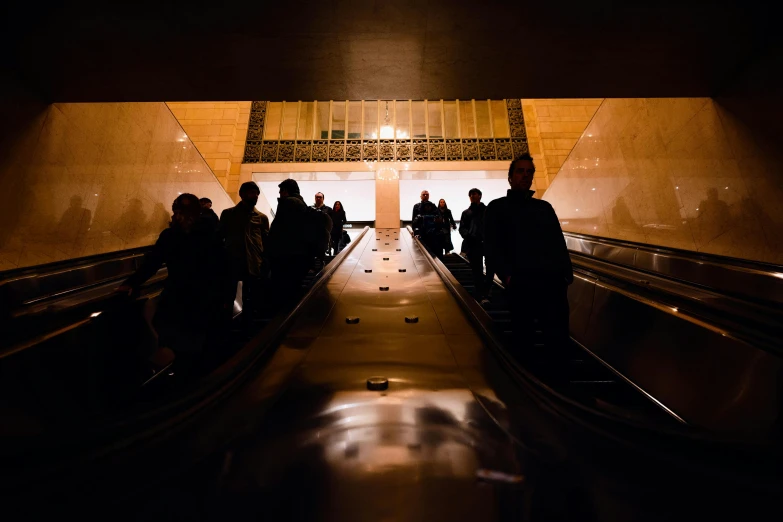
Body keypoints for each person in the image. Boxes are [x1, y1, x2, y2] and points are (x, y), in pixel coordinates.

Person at [117, 193, 223, 374]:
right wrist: (132, 282)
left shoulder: (179, 235)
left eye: (180, 212)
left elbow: (152, 263)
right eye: (177, 212)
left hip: (184, 296)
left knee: (180, 338)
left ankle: (183, 374)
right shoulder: (207, 234)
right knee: (191, 342)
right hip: (197, 297)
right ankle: (191, 375)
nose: (177, 216)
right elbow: (221, 266)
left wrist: (132, 282)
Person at [485, 153, 573, 358]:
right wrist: (507, 276)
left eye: (529, 172)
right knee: (524, 340)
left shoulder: (544, 208)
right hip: (521, 283)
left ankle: (557, 383)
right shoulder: (497, 208)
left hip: (553, 283)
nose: (525, 176)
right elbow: (492, 246)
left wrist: (566, 274)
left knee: (557, 340)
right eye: (520, 171)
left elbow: (558, 242)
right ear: (510, 177)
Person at [219, 182, 270, 323]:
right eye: (251, 192)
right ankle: (226, 325)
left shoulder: (262, 218)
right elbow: (219, 237)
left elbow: (266, 242)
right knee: (228, 296)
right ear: (242, 194)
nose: (255, 196)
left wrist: (264, 261)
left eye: (256, 193)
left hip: (253, 262)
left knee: (251, 297)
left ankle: (247, 325)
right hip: (232, 261)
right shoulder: (228, 214)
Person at [267, 179, 316, 309]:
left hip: (286, 254)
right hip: (300, 255)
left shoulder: (288, 202)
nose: (279, 194)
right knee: (294, 289)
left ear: (286, 191)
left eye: (281, 191)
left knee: (282, 290)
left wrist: (269, 248)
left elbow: (278, 228)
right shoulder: (303, 204)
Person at [459, 188, 493, 304]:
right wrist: (468, 236)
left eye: (475, 194)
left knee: (490, 269)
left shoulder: (487, 210)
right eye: (471, 195)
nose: (473, 196)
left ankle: (486, 291)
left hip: (488, 243)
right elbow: (462, 228)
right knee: (477, 270)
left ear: (480, 196)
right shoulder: (466, 213)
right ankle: (481, 294)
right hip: (473, 244)